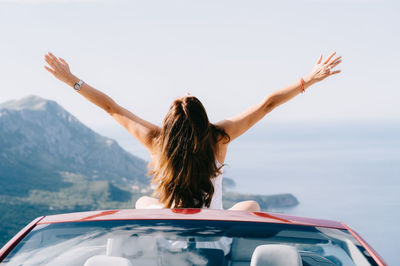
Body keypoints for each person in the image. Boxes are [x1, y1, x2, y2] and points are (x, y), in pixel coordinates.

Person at [44, 51, 342, 212]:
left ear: (169, 126)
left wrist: (72, 80)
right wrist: (309, 79)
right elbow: (267, 105)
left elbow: (111, 108)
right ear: (204, 122)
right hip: (216, 239)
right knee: (251, 205)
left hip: (168, 241)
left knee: (141, 204)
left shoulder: (156, 141)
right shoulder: (219, 137)